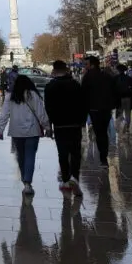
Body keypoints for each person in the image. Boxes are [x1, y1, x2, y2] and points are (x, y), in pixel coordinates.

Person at [0, 75, 50, 196]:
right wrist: (47, 127)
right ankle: (27, 183)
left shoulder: (10, 96)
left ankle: (24, 180)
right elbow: (41, 113)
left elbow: (4, 114)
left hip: (16, 132)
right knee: (30, 156)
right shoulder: (33, 95)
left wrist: (1, 130)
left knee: (21, 156)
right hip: (32, 131)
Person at [44, 60, 87, 196]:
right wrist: (82, 121)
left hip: (59, 125)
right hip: (74, 124)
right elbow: (83, 104)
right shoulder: (75, 85)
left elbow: (48, 108)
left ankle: (66, 180)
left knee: (62, 154)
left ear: (55, 70)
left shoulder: (50, 86)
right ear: (66, 70)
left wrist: (49, 127)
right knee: (75, 153)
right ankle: (75, 177)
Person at [80, 56, 117, 168]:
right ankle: (103, 158)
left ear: (92, 65)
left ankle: (103, 158)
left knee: (99, 133)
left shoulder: (87, 77)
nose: (85, 67)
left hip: (94, 109)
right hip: (106, 109)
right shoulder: (107, 76)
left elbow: (83, 94)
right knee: (103, 133)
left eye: (86, 64)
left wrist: (83, 112)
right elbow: (114, 91)